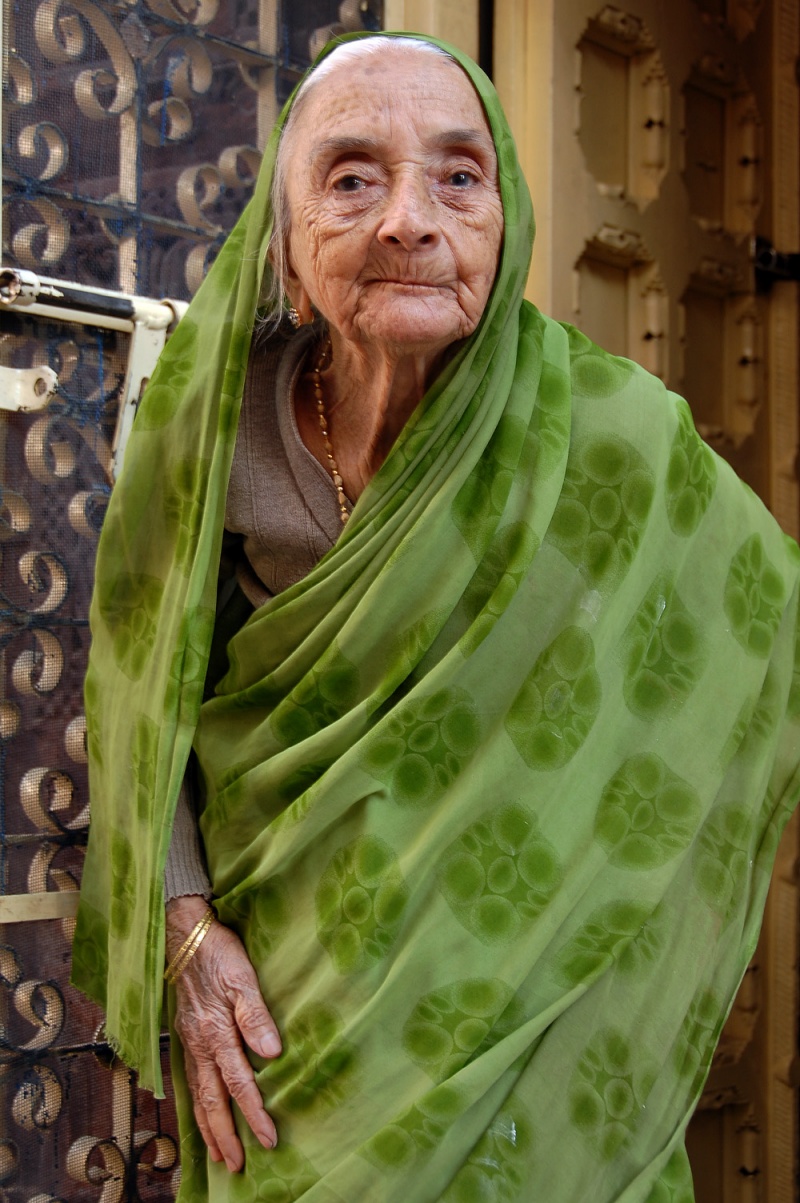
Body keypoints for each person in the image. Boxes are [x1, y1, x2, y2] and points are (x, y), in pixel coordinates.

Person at [72, 31, 800, 1203]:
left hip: (524, 993)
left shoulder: (608, 432)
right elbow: (142, 686)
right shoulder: (217, 426)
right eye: (352, 177)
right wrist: (183, 931)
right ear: (286, 245)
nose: (409, 217)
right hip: (295, 1011)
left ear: (502, 221)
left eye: (458, 176)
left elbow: (760, 632)